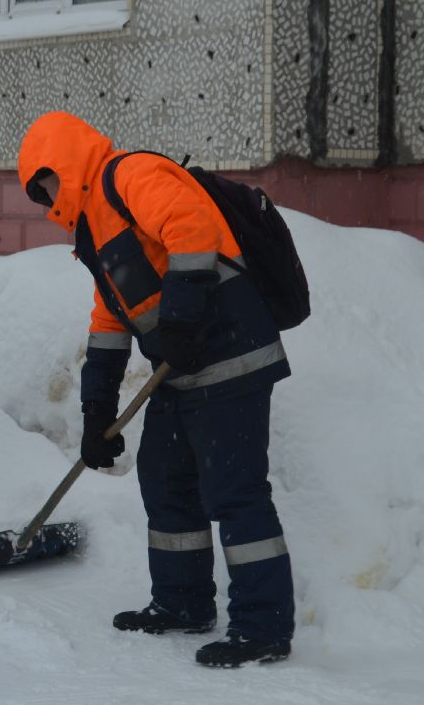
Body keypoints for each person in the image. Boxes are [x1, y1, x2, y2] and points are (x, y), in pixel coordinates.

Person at [16, 111, 295, 667]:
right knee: (167, 480)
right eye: (38, 194)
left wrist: (184, 319)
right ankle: (183, 602)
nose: (47, 202)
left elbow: (191, 227)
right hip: (182, 365)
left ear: (63, 164)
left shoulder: (129, 175)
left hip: (230, 353)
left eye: (45, 185)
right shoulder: (94, 228)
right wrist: (97, 412)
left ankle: (263, 627)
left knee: (236, 492)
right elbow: (110, 319)